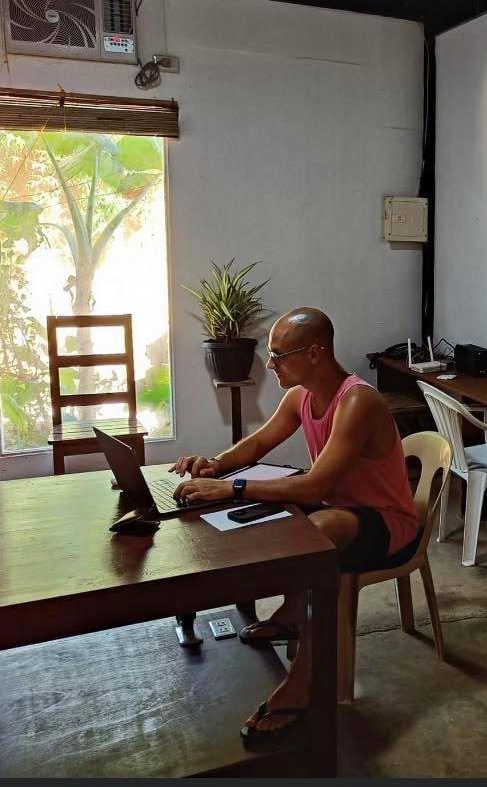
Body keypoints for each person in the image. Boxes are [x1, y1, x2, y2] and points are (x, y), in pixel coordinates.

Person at [170, 307, 419, 739]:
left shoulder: (358, 400)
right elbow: (260, 442)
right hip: (342, 509)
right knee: (289, 523)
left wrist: (233, 489)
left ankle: (305, 682)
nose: (270, 364)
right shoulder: (300, 396)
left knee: (316, 531)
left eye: (279, 355)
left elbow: (314, 484)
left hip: (387, 523)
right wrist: (215, 466)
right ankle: (291, 613)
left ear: (316, 354)